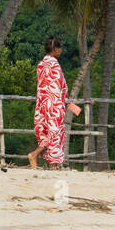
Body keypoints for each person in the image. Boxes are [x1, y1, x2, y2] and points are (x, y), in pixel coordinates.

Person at [29, 37, 80, 168]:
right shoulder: (55, 64)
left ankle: (36, 157)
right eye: (60, 48)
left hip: (42, 103)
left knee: (47, 132)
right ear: (56, 49)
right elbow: (60, 85)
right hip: (54, 104)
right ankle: (49, 164)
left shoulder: (41, 64)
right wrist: (67, 102)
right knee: (55, 133)